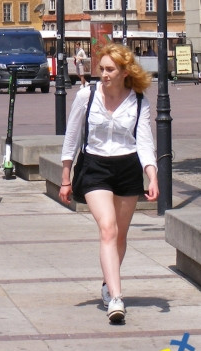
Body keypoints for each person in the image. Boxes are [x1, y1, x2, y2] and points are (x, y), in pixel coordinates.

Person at [59, 43, 158, 325]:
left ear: (125, 72)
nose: (103, 74)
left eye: (110, 69)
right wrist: (66, 177)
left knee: (121, 236)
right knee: (108, 229)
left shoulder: (139, 101)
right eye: (101, 69)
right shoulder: (86, 96)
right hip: (94, 167)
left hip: (127, 168)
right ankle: (116, 297)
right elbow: (72, 136)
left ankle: (107, 284)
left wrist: (151, 175)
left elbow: (145, 143)